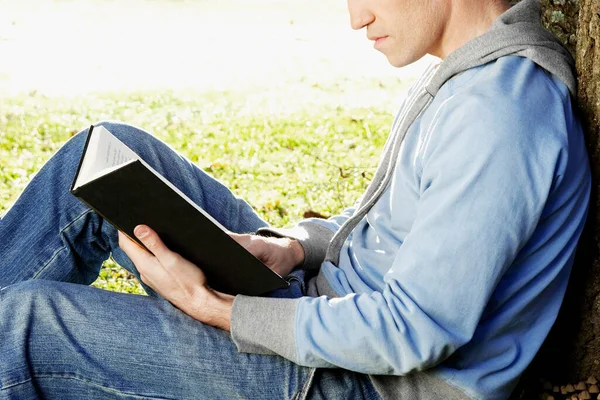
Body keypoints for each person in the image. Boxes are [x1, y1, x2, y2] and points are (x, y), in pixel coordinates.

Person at [0, 0, 591, 398]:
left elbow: (415, 329)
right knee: (101, 158)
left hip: (362, 383)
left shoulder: (500, 114)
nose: (357, 17)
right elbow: (394, 234)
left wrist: (221, 311)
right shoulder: (472, 77)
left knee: (21, 323)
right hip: (332, 316)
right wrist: (290, 246)